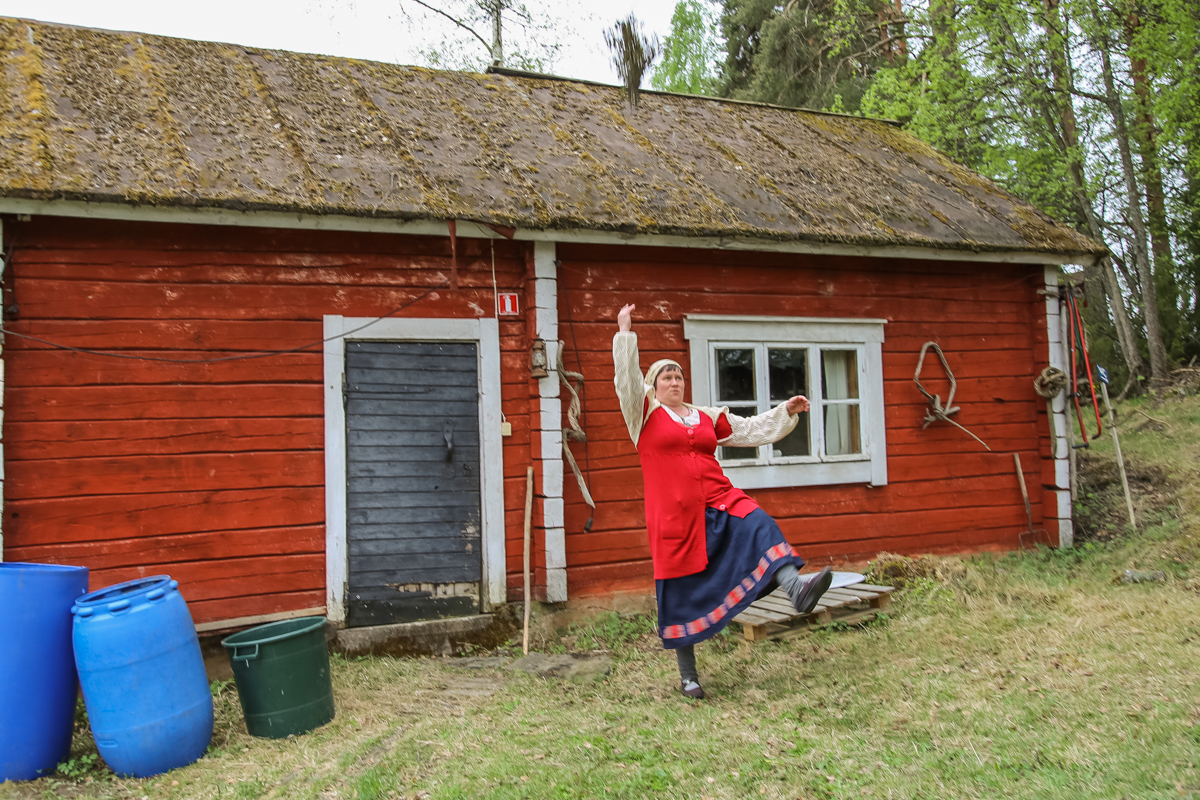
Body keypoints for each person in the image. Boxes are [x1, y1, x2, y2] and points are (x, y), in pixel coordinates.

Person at [613, 303, 832, 699]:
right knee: (680, 591)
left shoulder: (705, 416)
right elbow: (626, 381)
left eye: (679, 375)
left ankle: (796, 588)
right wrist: (626, 333)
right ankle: (689, 676)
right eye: (666, 376)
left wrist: (785, 410)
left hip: (718, 499)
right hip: (675, 516)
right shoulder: (642, 413)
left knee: (758, 521)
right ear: (653, 385)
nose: (675, 381)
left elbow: (748, 430)